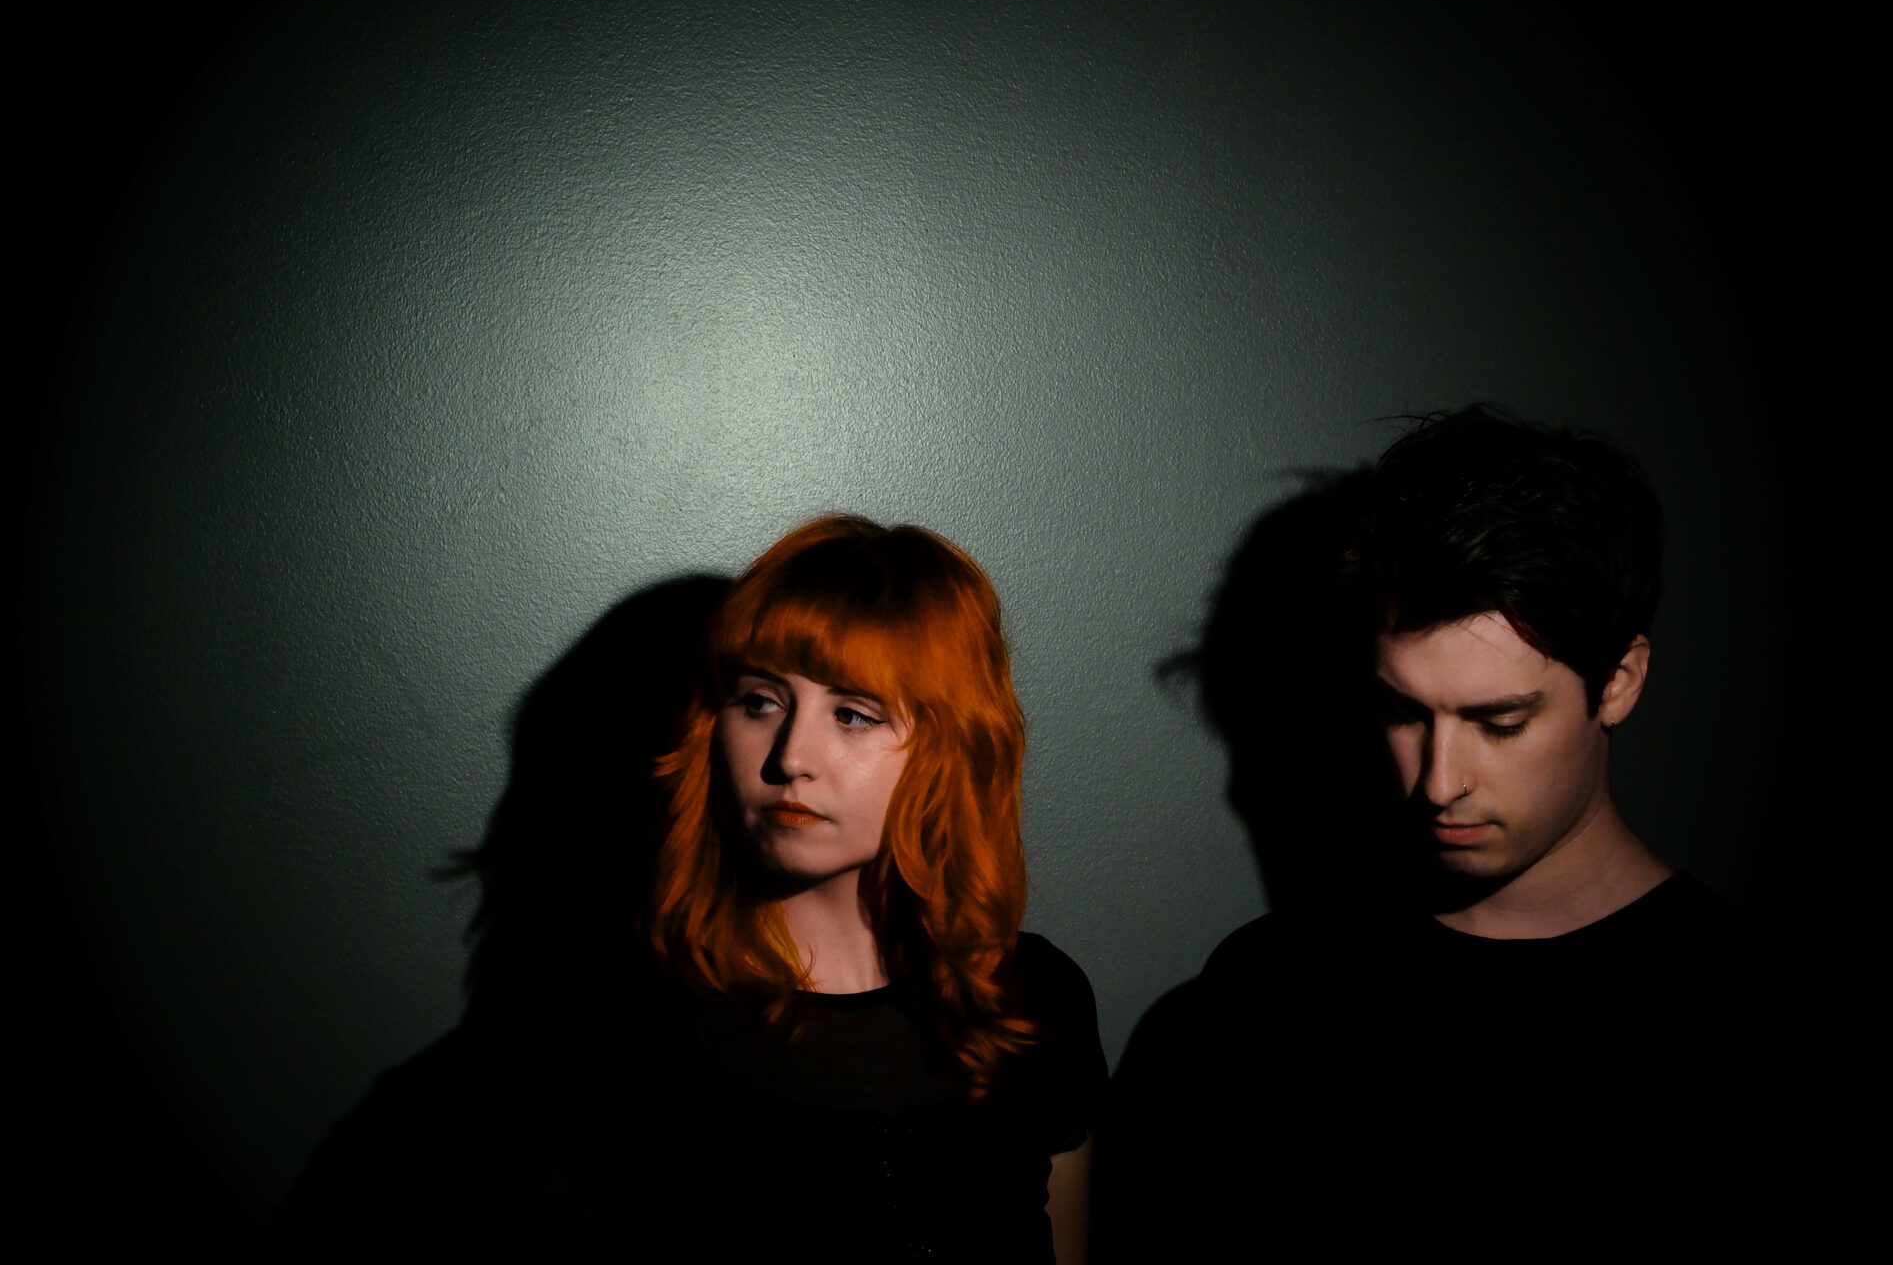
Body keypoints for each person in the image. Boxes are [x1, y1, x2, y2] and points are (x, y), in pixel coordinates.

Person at [285, 516, 1102, 1262]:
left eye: (852, 714)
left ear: (950, 750)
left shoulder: (1036, 1000)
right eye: (760, 702)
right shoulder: (609, 1035)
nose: (789, 757)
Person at [1105, 406, 1752, 1261]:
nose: (1440, 781)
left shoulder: (1742, 1020)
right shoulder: (1258, 997)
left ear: (1620, 681)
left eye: (1500, 721)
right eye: (1405, 712)